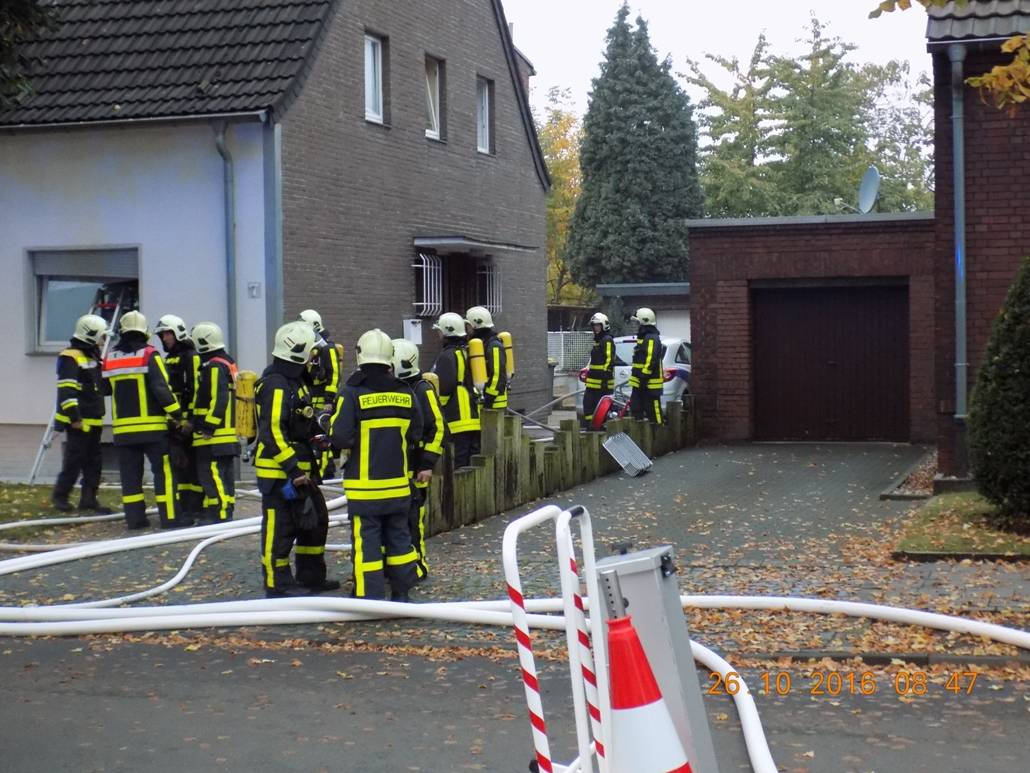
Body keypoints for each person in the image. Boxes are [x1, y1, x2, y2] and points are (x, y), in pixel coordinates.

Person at [329, 330, 425, 601]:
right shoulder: (405, 392)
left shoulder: (352, 392)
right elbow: (416, 433)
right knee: (399, 538)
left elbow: (340, 435)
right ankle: (402, 594)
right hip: (397, 485)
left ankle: (368, 596)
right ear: (389, 359)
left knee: (367, 542)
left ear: (360, 356)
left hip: (365, 487)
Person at [254, 321, 340, 597]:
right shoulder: (276, 385)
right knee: (280, 529)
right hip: (280, 474)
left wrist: (320, 437)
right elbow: (272, 432)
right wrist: (292, 469)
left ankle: (310, 576)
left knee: (314, 522)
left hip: (300, 471)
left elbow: (303, 420)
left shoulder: (296, 383)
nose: (314, 359)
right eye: (311, 354)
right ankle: (277, 584)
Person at [102, 310, 190, 530]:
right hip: (153, 430)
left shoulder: (110, 357)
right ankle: (170, 518)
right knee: (164, 474)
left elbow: (103, 389)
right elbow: (162, 388)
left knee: (130, 477)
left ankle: (135, 520)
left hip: (123, 432)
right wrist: (178, 415)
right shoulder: (150, 355)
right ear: (145, 332)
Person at [392, 337, 445, 581]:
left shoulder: (422, 389)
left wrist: (427, 463)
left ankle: (418, 564)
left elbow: (438, 428)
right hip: (397, 466)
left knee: (413, 519)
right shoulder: (394, 389)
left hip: (416, 467)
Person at [51, 314, 112, 514]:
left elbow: (100, 386)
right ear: (91, 335)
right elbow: (66, 389)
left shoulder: (92, 356)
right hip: (79, 421)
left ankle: (88, 500)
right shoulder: (70, 357)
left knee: (94, 463)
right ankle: (60, 496)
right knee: (74, 461)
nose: (104, 341)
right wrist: (74, 418)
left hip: (93, 420)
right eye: (102, 336)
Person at [154, 314, 203, 522]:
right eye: (162, 334)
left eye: (167, 333)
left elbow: (196, 390)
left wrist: (190, 420)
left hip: (188, 423)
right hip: (174, 423)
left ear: (178, 333)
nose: (164, 338)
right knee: (180, 466)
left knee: (192, 465)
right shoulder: (167, 359)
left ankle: (196, 507)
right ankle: (184, 506)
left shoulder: (191, 357)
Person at [190, 322, 239, 524]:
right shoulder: (228, 363)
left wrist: (208, 426)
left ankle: (219, 513)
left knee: (211, 473)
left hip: (213, 434)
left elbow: (219, 399)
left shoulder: (214, 366)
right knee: (224, 475)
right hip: (227, 432)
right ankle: (224, 510)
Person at [431, 311, 480, 467]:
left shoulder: (447, 355)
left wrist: (438, 408)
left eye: (439, 330)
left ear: (446, 331)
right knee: (470, 459)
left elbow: (444, 386)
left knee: (459, 462)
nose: (437, 334)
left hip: (457, 415)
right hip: (471, 412)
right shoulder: (464, 351)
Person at [299, 309, 341, 478]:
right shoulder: (309, 348)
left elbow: (334, 375)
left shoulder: (327, 348)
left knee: (321, 439)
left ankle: (325, 475)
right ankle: (320, 472)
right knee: (312, 438)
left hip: (322, 401)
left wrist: (328, 401)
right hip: (310, 399)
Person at [464, 306, 508, 410]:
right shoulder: (479, 344)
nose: (467, 329)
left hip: (494, 405)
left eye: (468, 325)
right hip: (482, 401)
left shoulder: (494, 346)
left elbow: (497, 375)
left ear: (475, 325)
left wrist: (489, 399)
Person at [628, 307, 664, 425]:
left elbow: (651, 359)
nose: (635, 325)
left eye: (637, 322)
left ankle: (660, 433)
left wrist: (644, 375)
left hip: (650, 384)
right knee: (636, 409)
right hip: (640, 383)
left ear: (644, 322)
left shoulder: (651, 338)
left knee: (654, 412)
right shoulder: (644, 337)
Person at [582, 312, 616, 429]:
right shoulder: (597, 341)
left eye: (598, 325)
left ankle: (599, 427)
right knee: (588, 404)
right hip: (593, 382)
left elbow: (609, 359)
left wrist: (605, 375)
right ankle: (591, 426)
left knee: (599, 407)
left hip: (603, 383)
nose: (595, 328)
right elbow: (594, 361)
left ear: (603, 325)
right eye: (594, 326)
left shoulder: (607, 340)